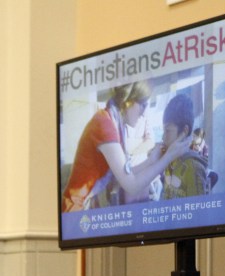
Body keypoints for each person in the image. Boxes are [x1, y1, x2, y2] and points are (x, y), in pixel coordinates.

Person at [62, 81, 192, 211]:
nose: (144, 113)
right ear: (128, 101)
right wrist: (168, 157)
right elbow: (132, 186)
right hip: (76, 209)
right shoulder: (104, 124)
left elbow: (122, 176)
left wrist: (151, 160)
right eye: (142, 105)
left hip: (86, 205)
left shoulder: (113, 122)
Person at [159, 94, 209, 200]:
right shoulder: (170, 161)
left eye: (167, 131)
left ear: (184, 131)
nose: (163, 137)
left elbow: (197, 209)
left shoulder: (194, 168)